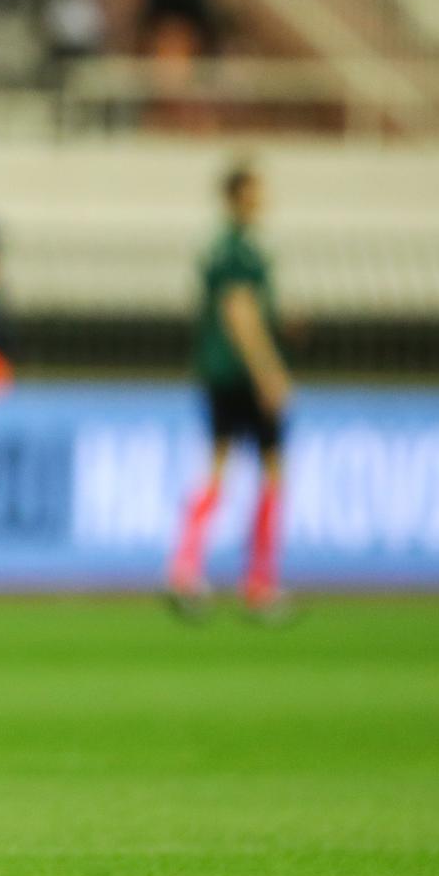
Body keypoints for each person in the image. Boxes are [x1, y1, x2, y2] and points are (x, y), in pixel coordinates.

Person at [168, 161, 292, 618]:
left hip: (217, 373)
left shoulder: (216, 249)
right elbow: (240, 312)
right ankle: (260, 583)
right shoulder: (244, 252)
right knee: (273, 471)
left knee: (217, 467)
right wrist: (268, 372)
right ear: (241, 196)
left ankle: (186, 568)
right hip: (244, 374)